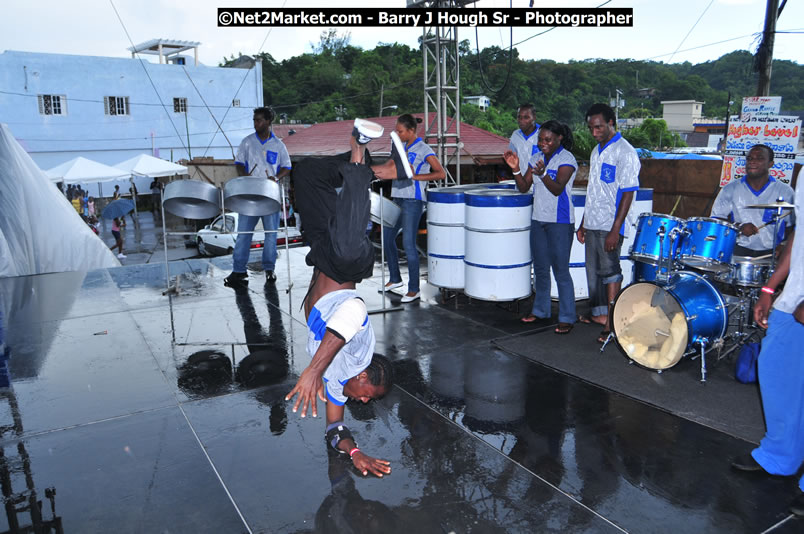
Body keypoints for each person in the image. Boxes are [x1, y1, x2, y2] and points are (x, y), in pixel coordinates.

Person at [286, 128, 394, 478]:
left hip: (322, 251)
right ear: (362, 374)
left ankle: (366, 165)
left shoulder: (337, 387)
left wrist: (355, 452)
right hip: (347, 262)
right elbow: (354, 311)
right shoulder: (358, 353)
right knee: (349, 243)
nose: (363, 401)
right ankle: (363, 165)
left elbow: (334, 431)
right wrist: (312, 370)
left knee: (305, 174)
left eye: (367, 400)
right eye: (368, 394)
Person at [730, 170, 803, 517]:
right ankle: (780, 456)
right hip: (792, 299)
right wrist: (771, 286)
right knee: (775, 371)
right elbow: (800, 237)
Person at [504, 120, 578, 334]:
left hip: (560, 222)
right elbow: (524, 188)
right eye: (540, 139)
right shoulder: (536, 158)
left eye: (547, 140)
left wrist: (544, 174)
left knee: (561, 271)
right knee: (541, 268)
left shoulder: (567, 159)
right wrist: (516, 169)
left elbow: (556, 189)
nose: (542, 143)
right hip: (538, 219)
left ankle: (567, 317)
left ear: (559, 138)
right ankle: (541, 310)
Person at [576, 103, 640, 344]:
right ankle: (600, 316)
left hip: (610, 225)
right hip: (592, 222)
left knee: (611, 272)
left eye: (599, 127)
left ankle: (613, 322)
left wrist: (616, 229)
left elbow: (627, 193)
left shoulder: (626, 152)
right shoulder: (596, 151)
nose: (594, 132)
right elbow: (593, 191)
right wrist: (583, 222)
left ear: (612, 122)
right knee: (593, 273)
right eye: (591, 128)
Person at [375, 114, 446, 303]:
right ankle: (395, 279)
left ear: (412, 130)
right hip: (397, 198)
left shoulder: (424, 149)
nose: (397, 134)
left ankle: (414, 289)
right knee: (387, 238)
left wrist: (416, 178)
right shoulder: (398, 147)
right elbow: (390, 167)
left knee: (407, 243)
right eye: (396, 131)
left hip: (413, 201)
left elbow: (441, 173)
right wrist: (376, 171)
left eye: (400, 131)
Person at [224, 107, 291, 288]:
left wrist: (276, 177)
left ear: (269, 122)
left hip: (270, 195)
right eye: (254, 120)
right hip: (250, 195)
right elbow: (238, 163)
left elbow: (287, 166)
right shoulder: (247, 143)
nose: (256, 124)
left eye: (259, 120)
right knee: (244, 234)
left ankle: (269, 269)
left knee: (270, 234)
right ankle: (239, 271)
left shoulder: (279, 145)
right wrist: (246, 175)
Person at [711, 145, 795, 257]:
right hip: (738, 250)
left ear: (771, 164)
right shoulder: (729, 189)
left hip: (772, 253)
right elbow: (717, 220)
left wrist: (784, 245)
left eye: (759, 158)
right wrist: (738, 226)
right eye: (749, 158)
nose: (752, 162)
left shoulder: (785, 191)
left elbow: (792, 226)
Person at [508, 103, 540, 178]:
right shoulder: (515, 135)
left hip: (540, 185)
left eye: (526, 117)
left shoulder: (543, 134)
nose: (521, 120)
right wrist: (486, 161)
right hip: (521, 183)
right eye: (519, 117)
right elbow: (510, 158)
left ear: (534, 117)